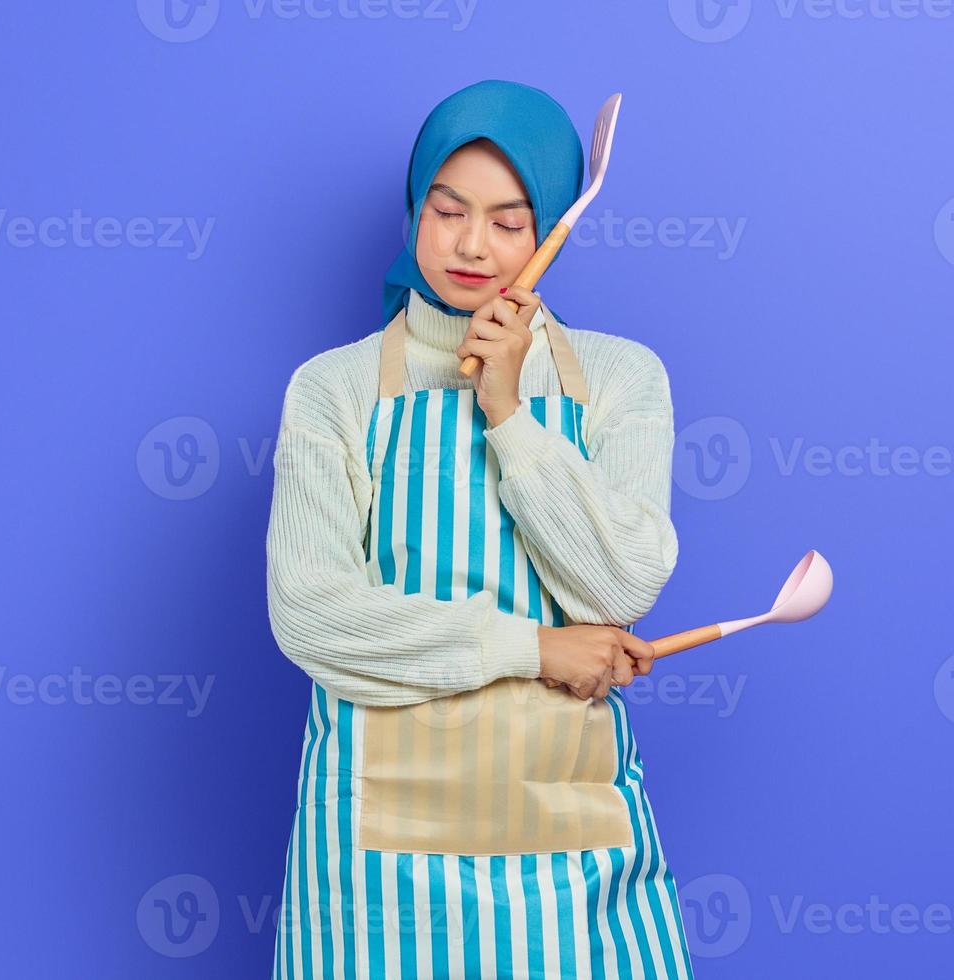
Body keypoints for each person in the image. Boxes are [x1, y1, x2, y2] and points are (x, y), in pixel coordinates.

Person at [266, 78, 694, 979]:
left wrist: (506, 409)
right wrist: (538, 649)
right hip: (377, 860)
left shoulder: (620, 378)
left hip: (568, 832)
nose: (470, 246)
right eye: (446, 209)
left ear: (548, 232)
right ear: (415, 206)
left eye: (508, 221)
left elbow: (620, 588)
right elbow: (310, 614)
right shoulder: (332, 389)